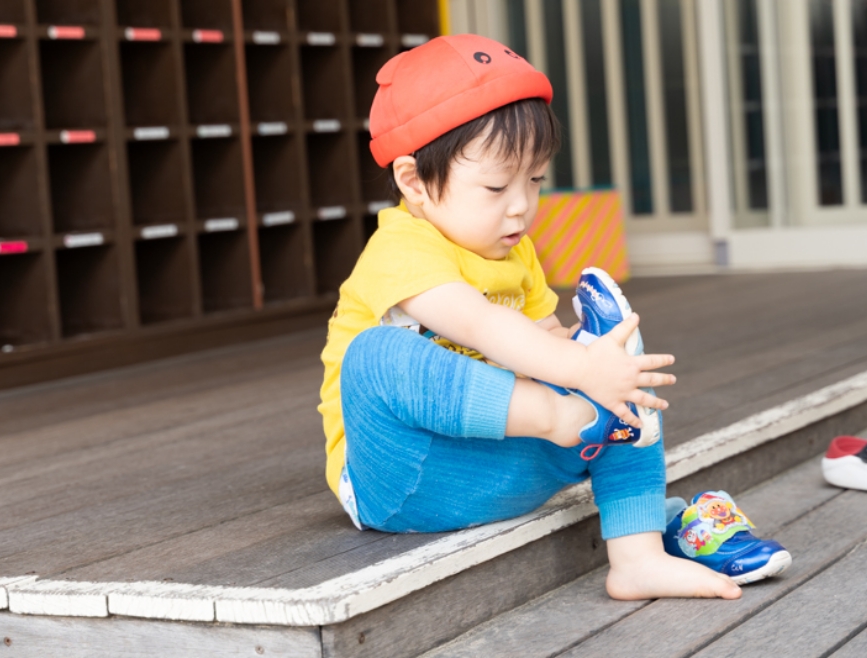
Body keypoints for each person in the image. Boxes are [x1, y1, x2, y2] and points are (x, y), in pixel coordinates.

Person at [319, 34, 788, 600]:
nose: (521, 205)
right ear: (414, 182)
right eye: (496, 186)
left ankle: (636, 556)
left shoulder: (514, 251)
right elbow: (482, 326)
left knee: (612, 354)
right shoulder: (402, 250)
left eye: (535, 180)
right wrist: (560, 398)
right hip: (403, 479)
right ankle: (569, 423)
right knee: (374, 355)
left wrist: (594, 359)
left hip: (503, 465)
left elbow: (545, 340)